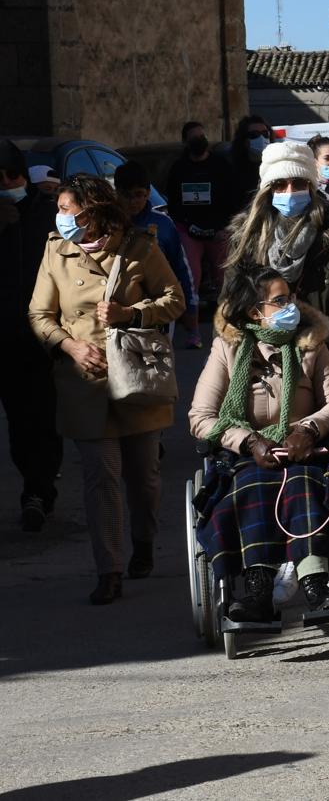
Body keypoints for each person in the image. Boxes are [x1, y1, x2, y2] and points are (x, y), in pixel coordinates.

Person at [29, 175, 186, 603]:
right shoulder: (55, 251)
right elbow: (40, 315)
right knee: (101, 478)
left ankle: (144, 543)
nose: (61, 218)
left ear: (93, 211)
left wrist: (130, 313)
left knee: (144, 479)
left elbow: (175, 299)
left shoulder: (139, 246)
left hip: (137, 379)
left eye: (68, 210)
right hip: (86, 384)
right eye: (59, 209)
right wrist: (70, 346)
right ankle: (109, 569)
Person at [187, 264, 329, 621]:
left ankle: (316, 584)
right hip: (250, 455)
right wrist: (248, 442)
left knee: (304, 483)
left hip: (304, 451)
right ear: (255, 312)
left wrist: (307, 429)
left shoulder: (310, 345)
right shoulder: (227, 349)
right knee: (251, 485)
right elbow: (201, 418)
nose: (291, 305)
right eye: (280, 301)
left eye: (291, 297)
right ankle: (258, 589)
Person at [225, 142, 329, 424]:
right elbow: (233, 299)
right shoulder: (247, 238)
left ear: (311, 187)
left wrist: (320, 345)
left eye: (298, 183)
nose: (289, 192)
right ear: (267, 191)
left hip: (325, 356)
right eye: (280, 185)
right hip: (263, 362)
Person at [0, 140, 62, 531]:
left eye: (8, 177)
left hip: (39, 341)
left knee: (40, 420)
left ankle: (38, 492)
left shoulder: (45, 215)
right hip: (3, 339)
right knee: (22, 422)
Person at [166, 120, 242, 347]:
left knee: (224, 281)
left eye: (202, 136)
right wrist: (188, 225)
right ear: (186, 142)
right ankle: (193, 332)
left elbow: (232, 198)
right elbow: (174, 202)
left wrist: (222, 227)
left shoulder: (221, 165)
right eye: (194, 137)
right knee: (191, 280)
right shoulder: (179, 168)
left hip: (218, 231)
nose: (199, 140)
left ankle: (228, 327)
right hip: (190, 230)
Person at [113, 162, 196, 334]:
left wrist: (190, 306)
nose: (133, 201)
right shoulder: (108, 224)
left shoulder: (163, 224)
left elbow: (180, 267)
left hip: (158, 309)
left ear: (148, 193)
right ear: (117, 193)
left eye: (139, 195)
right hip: (118, 310)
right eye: (127, 195)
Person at [229, 115, 272, 205]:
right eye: (254, 135)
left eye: (265, 134)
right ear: (244, 140)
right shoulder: (231, 170)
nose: (261, 138)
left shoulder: (276, 167)